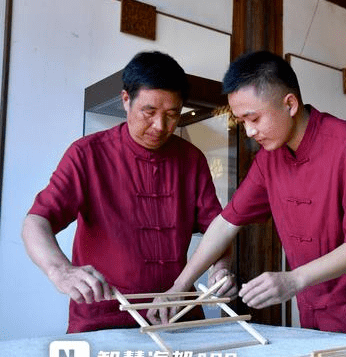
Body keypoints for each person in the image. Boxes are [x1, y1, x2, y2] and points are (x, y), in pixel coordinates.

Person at [157, 50, 346, 336]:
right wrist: (179, 287)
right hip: (313, 312)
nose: (249, 132)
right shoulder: (268, 158)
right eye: (241, 122)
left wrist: (293, 279)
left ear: (289, 104)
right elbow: (227, 223)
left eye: (254, 118)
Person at [22, 51, 234, 333]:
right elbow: (36, 221)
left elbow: (218, 230)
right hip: (105, 318)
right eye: (149, 112)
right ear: (126, 100)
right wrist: (60, 270)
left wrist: (220, 269)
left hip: (178, 315)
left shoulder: (191, 159)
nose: (160, 126)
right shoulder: (87, 154)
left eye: (172, 115)